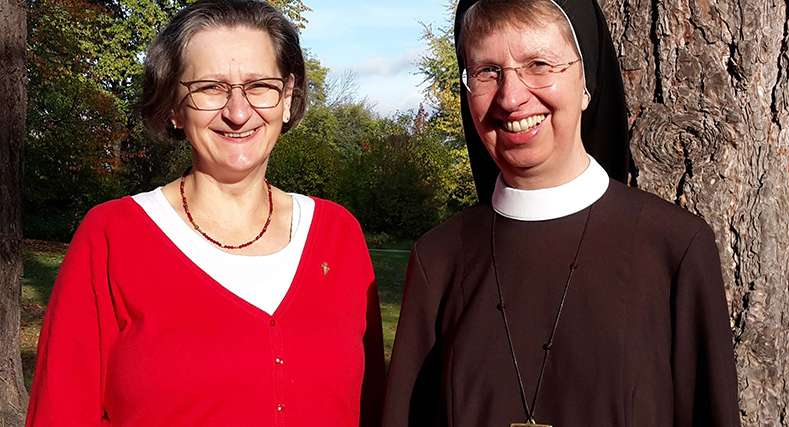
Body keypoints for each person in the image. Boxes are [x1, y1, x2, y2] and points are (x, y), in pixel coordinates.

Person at [382, 0, 740, 426]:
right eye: (487, 72)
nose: (511, 97)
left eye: (538, 64)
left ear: (586, 82)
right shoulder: (437, 260)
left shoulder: (675, 249)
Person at [26, 1, 384, 425]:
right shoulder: (112, 238)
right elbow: (60, 410)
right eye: (210, 87)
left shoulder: (337, 236)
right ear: (175, 105)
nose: (237, 112)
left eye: (259, 85)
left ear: (287, 98)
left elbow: (376, 407)